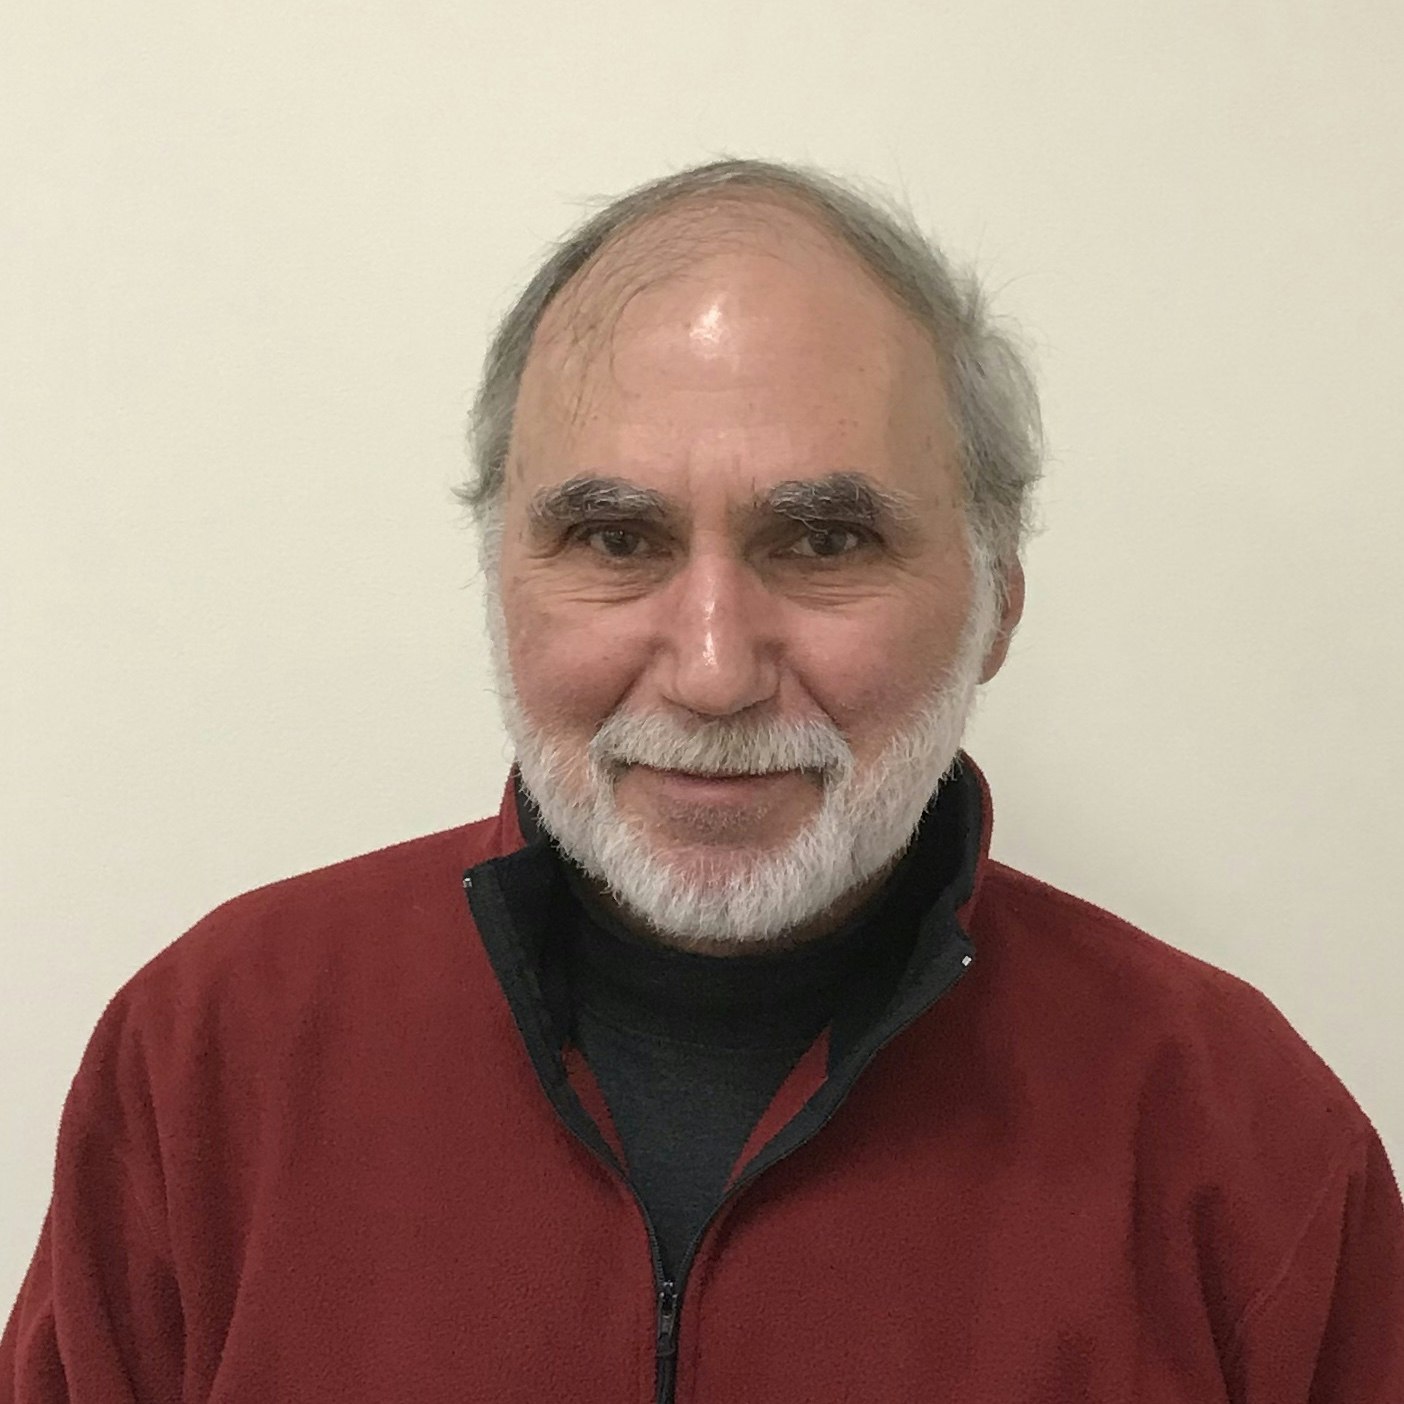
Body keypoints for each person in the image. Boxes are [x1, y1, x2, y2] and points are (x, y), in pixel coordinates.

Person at [3, 158, 1401, 1403]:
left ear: (999, 605)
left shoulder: (1245, 1147)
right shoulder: (208, 1066)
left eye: (828, 537)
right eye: (615, 538)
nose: (716, 670)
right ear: (503, 582)